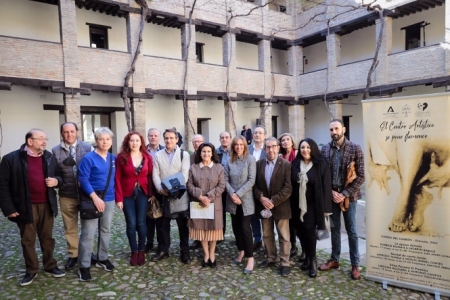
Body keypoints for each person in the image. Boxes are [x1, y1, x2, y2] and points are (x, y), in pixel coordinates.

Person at [0, 129, 65, 286]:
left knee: (47, 238)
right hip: (25, 206)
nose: (45, 142)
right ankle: (31, 270)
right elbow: (2, 185)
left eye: (45, 138)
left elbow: (60, 175)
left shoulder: (49, 157)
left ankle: (50, 266)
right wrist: (8, 208)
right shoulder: (11, 159)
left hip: (47, 204)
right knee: (28, 240)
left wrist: (57, 181)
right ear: (30, 141)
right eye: (41, 139)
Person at [318, 119, 365, 280]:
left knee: (352, 230)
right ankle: (335, 259)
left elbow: (361, 176)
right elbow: (322, 175)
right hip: (332, 196)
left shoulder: (355, 148)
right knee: (335, 229)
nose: (334, 132)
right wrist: (331, 192)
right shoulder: (325, 149)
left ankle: (355, 264)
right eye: (331, 130)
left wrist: (344, 193)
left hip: (349, 197)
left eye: (336, 129)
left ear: (343, 129)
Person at [77, 127, 117, 282]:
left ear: (111, 141)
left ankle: (102, 257)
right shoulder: (89, 158)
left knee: (106, 230)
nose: (105, 142)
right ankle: (84, 266)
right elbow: (83, 180)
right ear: (96, 140)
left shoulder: (113, 158)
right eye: (101, 139)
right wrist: (95, 198)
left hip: (109, 199)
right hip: (91, 199)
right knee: (88, 234)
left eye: (107, 139)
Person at [52, 122, 92, 271]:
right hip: (67, 194)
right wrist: (57, 181)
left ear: (77, 132)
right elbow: (55, 173)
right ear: (62, 133)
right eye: (66, 132)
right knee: (70, 227)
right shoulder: (55, 151)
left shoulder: (88, 148)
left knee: (88, 226)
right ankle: (73, 254)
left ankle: (88, 252)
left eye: (72, 131)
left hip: (85, 195)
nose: (69, 135)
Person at [291, 138, 332, 278]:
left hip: (313, 206)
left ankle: (313, 260)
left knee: (309, 232)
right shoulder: (295, 164)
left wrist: (326, 208)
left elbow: (326, 186)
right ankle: (307, 257)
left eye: (308, 147)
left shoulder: (320, 164)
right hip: (296, 205)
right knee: (301, 232)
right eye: (302, 147)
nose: (305, 150)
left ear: (313, 148)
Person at [254, 137, 292, 276]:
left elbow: (288, 188)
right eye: (268, 147)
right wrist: (261, 197)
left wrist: (273, 201)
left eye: (273, 147)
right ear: (265, 149)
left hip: (281, 207)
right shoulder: (259, 164)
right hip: (264, 207)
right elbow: (255, 185)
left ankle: (285, 262)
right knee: (267, 234)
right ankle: (271, 258)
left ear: (278, 148)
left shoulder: (286, 165)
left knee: (284, 236)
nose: (270, 150)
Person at [152, 128, 191, 264]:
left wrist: (173, 189)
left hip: (180, 194)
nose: (169, 140)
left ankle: (185, 251)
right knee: (163, 225)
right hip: (163, 194)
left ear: (177, 139)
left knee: (183, 225)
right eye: (166, 138)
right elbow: (155, 174)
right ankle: (163, 249)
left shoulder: (183, 155)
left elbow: (185, 174)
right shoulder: (157, 155)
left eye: (171, 138)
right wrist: (160, 189)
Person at [115, 131, 154, 266]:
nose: (134, 143)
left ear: (141, 142)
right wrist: (119, 198)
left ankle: (141, 251)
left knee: (141, 223)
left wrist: (151, 194)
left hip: (143, 193)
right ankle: (134, 251)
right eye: (132, 140)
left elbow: (150, 176)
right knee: (131, 223)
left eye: (137, 140)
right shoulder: (121, 157)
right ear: (128, 142)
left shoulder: (147, 157)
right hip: (127, 195)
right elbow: (117, 178)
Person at [187, 143, 225, 267]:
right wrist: (200, 196)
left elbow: (222, 185)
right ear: (200, 153)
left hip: (214, 203)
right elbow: (189, 185)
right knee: (202, 230)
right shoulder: (193, 167)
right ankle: (206, 254)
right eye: (204, 151)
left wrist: (209, 196)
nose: (206, 154)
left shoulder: (219, 167)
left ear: (212, 153)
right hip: (199, 203)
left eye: (209, 151)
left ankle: (212, 254)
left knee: (213, 231)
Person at [225, 136, 256, 274]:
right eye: (236, 145)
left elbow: (251, 180)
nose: (238, 147)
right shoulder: (229, 161)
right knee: (236, 228)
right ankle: (241, 251)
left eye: (241, 145)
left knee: (245, 228)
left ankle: (250, 257)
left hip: (245, 201)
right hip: (232, 201)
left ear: (245, 146)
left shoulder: (250, 160)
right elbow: (225, 179)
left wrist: (238, 194)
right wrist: (232, 194)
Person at [278, 132, 304, 261]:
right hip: (284, 195)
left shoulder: (298, 154)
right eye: (283, 140)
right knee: (289, 223)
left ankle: (305, 249)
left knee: (300, 223)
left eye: (287, 139)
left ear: (292, 141)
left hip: (297, 193)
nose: (285, 142)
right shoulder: (280, 156)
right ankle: (293, 246)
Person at [145, 128, 164, 253]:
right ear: (148, 137)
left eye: (155, 135)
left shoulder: (163, 151)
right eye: (151, 135)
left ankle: (161, 243)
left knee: (161, 217)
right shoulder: (142, 151)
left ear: (159, 138)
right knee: (148, 217)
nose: (153, 137)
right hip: (146, 188)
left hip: (161, 188)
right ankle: (149, 241)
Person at [248, 125, 267, 252]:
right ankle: (257, 239)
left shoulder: (268, 148)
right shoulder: (247, 149)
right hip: (249, 189)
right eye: (255, 133)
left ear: (264, 135)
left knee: (265, 217)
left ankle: (268, 241)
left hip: (264, 188)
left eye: (260, 133)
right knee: (253, 215)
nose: (257, 135)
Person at [216, 131, 232, 239]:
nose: (224, 139)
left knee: (234, 212)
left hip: (233, 185)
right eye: (222, 137)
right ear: (219, 139)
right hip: (220, 186)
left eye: (226, 137)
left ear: (230, 139)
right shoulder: (216, 152)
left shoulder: (235, 151)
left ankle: (238, 237)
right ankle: (220, 234)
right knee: (219, 211)